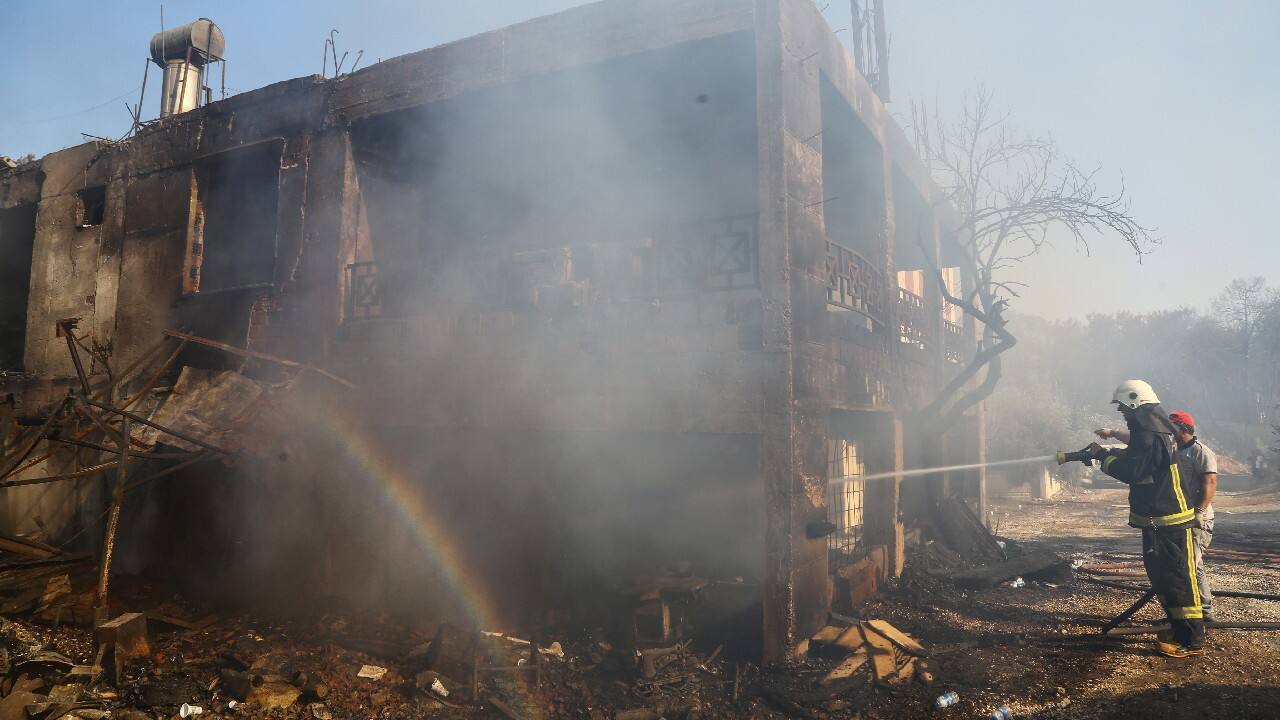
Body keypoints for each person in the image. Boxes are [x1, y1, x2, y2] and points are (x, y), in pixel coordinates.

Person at [1085, 380, 1204, 657]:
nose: (1123, 414)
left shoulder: (1151, 431)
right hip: (1158, 519)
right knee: (1163, 578)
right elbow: (1139, 459)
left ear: (1136, 401)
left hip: (1169, 519)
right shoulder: (1149, 429)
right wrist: (1110, 454)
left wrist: (1103, 457)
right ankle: (1178, 629)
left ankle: (1191, 640)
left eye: (1124, 408)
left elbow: (1134, 470)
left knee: (1178, 580)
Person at [1096, 410, 1218, 620]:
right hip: (1177, 518)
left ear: (1182, 430)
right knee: (1173, 567)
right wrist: (1114, 433)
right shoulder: (1168, 447)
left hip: (1196, 519)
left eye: (1170, 429)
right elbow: (1138, 440)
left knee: (1191, 567)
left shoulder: (1199, 452)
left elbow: (1210, 483)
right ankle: (1181, 612)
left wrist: (1199, 512)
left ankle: (1204, 613)